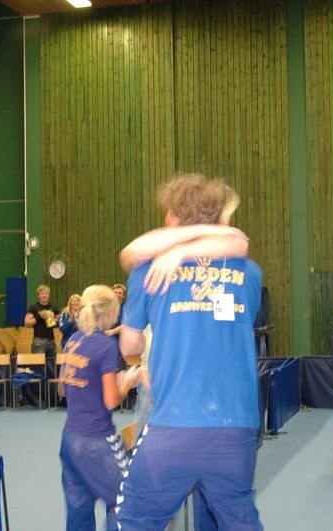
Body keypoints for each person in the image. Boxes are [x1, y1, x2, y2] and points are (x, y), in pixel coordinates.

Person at [118, 173, 263, 529]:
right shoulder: (251, 272)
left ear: (175, 218)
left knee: (132, 520)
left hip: (175, 426)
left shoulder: (147, 270)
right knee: (237, 518)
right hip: (238, 427)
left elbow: (130, 345)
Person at [57, 285, 140, 531]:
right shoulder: (105, 346)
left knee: (79, 509)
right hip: (97, 441)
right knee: (127, 499)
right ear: (107, 314)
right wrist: (126, 382)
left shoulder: (73, 340)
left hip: (70, 439)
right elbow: (111, 401)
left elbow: (63, 389)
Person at [25, 284, 59, 358]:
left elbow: (59, 322)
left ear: (49, 295)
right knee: (39, 366)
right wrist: (39, 317)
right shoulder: (33, 307)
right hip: (38, 341)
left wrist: (52, 318)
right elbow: (27, 323)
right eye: (42, 293)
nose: (44, 295)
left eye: (46, 293)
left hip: (51, 341)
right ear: (38, 295)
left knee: (52, 365)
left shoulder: (53, 307)